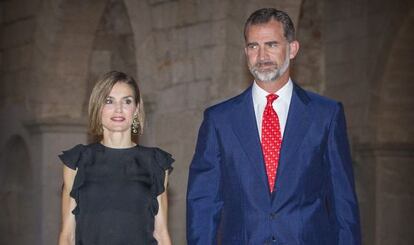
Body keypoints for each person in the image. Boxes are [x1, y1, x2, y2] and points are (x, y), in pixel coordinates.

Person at [186, 8, 361, 245]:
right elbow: (203, 203)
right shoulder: (219, 120)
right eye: (253, 46)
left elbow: (343, 201)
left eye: (271, 44)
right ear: (245, 52)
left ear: (292, 48)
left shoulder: (326, 115)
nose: (262, 56)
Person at [58, 71, 173, 245]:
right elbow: (68, 235)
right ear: (98, 108)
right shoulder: (78, 161)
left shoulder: (155, 162)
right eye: (109, 101)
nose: (118, 109)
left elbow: (161, 233)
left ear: (135, 110)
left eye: (127, 101)